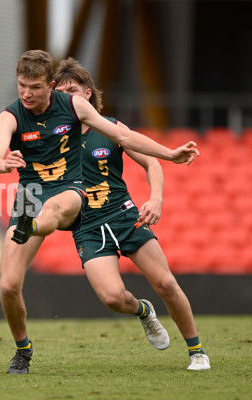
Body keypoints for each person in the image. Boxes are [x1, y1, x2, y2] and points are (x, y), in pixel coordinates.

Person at [0, 50, 199, 374]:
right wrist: (3, 164)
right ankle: (22, 350)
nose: (26, 93)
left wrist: (170, 154)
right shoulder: (10, 116)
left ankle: (31, 224)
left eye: (34, 87)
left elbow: (123, 135)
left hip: (71, 190)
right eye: (21, 86)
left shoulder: (72, 106)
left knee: (57, 208)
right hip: (30, 192)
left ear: (51, 85)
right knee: (8, 286)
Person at [53, 57, 210, 371]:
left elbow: (152, 163)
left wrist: (156, 198)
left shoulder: (111, 127)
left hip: (125, 216)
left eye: (73, 90)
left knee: (165, 283)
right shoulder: (51, 138)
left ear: (87, 95)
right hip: (87, 227)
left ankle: (197, 352)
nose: (66, 96)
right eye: (61, 92)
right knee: (112, 297)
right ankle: (144, 313)